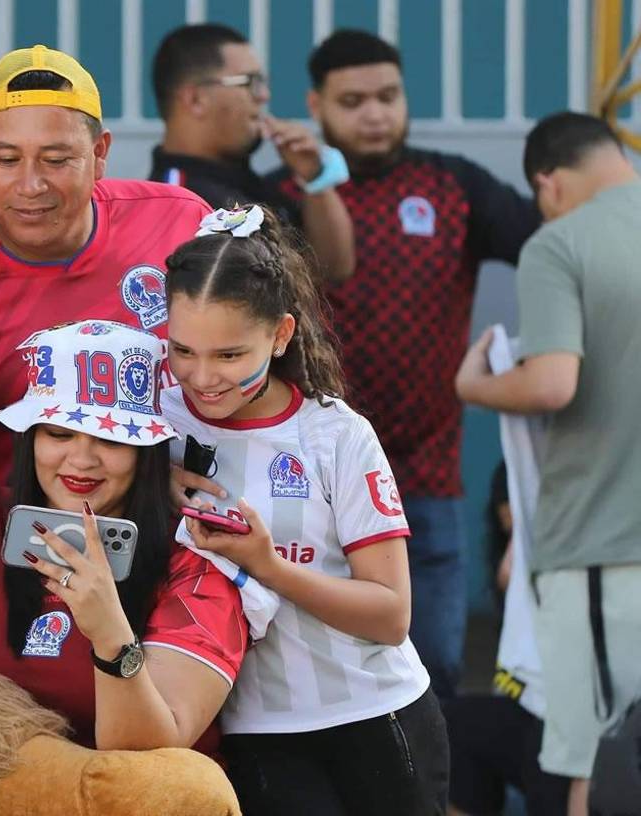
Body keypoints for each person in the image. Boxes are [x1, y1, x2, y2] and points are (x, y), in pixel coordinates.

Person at [0, 319, 252, 816]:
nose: (81, 460)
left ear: (148, 452)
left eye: (111, 439)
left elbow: (150, 757)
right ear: (30, 440)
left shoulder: (197, 564)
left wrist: (109, 634)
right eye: (58, 433)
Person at [270, 29, 541, 700]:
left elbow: (554, 244)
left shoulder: (453, 185)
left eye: (388, 96)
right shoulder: (279, 193)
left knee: (436, 675)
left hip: (426, 483)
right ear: (317, 104)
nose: (374, 114)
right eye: (354, 100)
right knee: (312, 684)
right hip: (311, 482)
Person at [164, 204, 448, 814]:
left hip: (378, 716)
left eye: (231, 355)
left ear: (282, 335)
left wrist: (268, 566)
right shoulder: (152, 423)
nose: (203, 378)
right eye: (183, 351)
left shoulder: (335, 435)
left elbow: (391, 614)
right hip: (254, 733)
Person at [0, 44, 212, 534]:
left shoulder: (182, 219)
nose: (30, 185)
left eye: (57, 159)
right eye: (6, 159)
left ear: (100, 153)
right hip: (40, 565)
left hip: (208, 541)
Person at [456, 111, 641, 816]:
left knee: (590, 763)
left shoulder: (560, 244)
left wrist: (473, 385)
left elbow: (550, 383)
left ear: (547, 183)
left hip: (605, 550)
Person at [149, 23, 355, 281]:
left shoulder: (252, 185)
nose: (264, 96)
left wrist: (315, 179)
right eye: (250, 83)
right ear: (195, 100)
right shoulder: (175, 201)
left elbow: (333, 270)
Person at [445, 465, 571, 816]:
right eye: (508, 530)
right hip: (537, 711)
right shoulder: (511, 567)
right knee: (453, 724)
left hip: (581, 723)